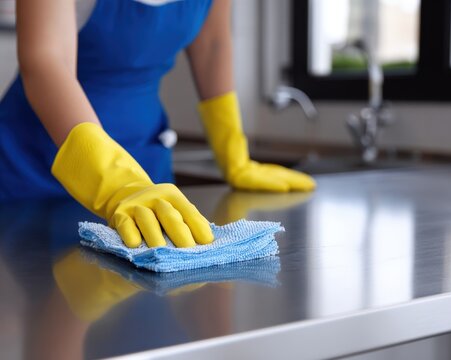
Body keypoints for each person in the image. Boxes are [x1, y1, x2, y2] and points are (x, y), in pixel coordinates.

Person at [0, 0, 316, 248]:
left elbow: (213, 44)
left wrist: (234, 154)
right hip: (35, 168)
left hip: (145, 169)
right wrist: (115, 180)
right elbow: (46, 60)